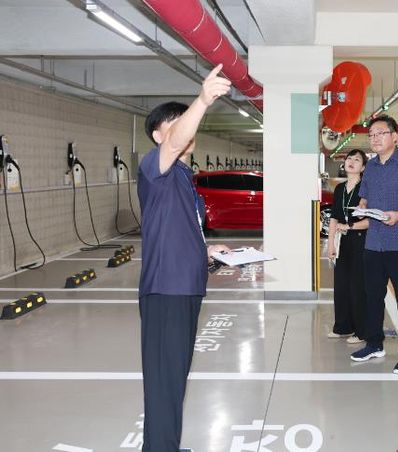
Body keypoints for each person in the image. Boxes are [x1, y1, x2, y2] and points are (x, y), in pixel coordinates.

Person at [137, 64, 232, 452]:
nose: (183, 131)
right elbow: (175, 142)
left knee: (173, 376)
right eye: (174, 125)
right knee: (165, 378)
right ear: (159, 135)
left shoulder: (181, 176)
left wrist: (206, 250)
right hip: (167, 290)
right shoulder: (154, 166)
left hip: (185, 287)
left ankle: (165, 446)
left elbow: (179, 230)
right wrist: (203, 100)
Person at [349, 114, 398, 375]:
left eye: (380, 133)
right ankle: (374, 344)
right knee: (373, 296)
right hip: (374, 242)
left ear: (394, 136)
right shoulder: (371, 166)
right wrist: (362, 207)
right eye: (371, 134)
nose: (374, 138)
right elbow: (365, 198)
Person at [327, 149, 370, 344]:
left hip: (361, 240)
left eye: (357, 159)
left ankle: (361, 331)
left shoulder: (366, 189)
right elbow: (334, 218)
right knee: (341, 284)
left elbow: (371, 220)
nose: (351, 162)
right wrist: (330, 243)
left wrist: (349, 226)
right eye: (349, 158)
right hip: (342, 240)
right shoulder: (339, 188)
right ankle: (342, 327)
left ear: (363, 167)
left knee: (358, 286)